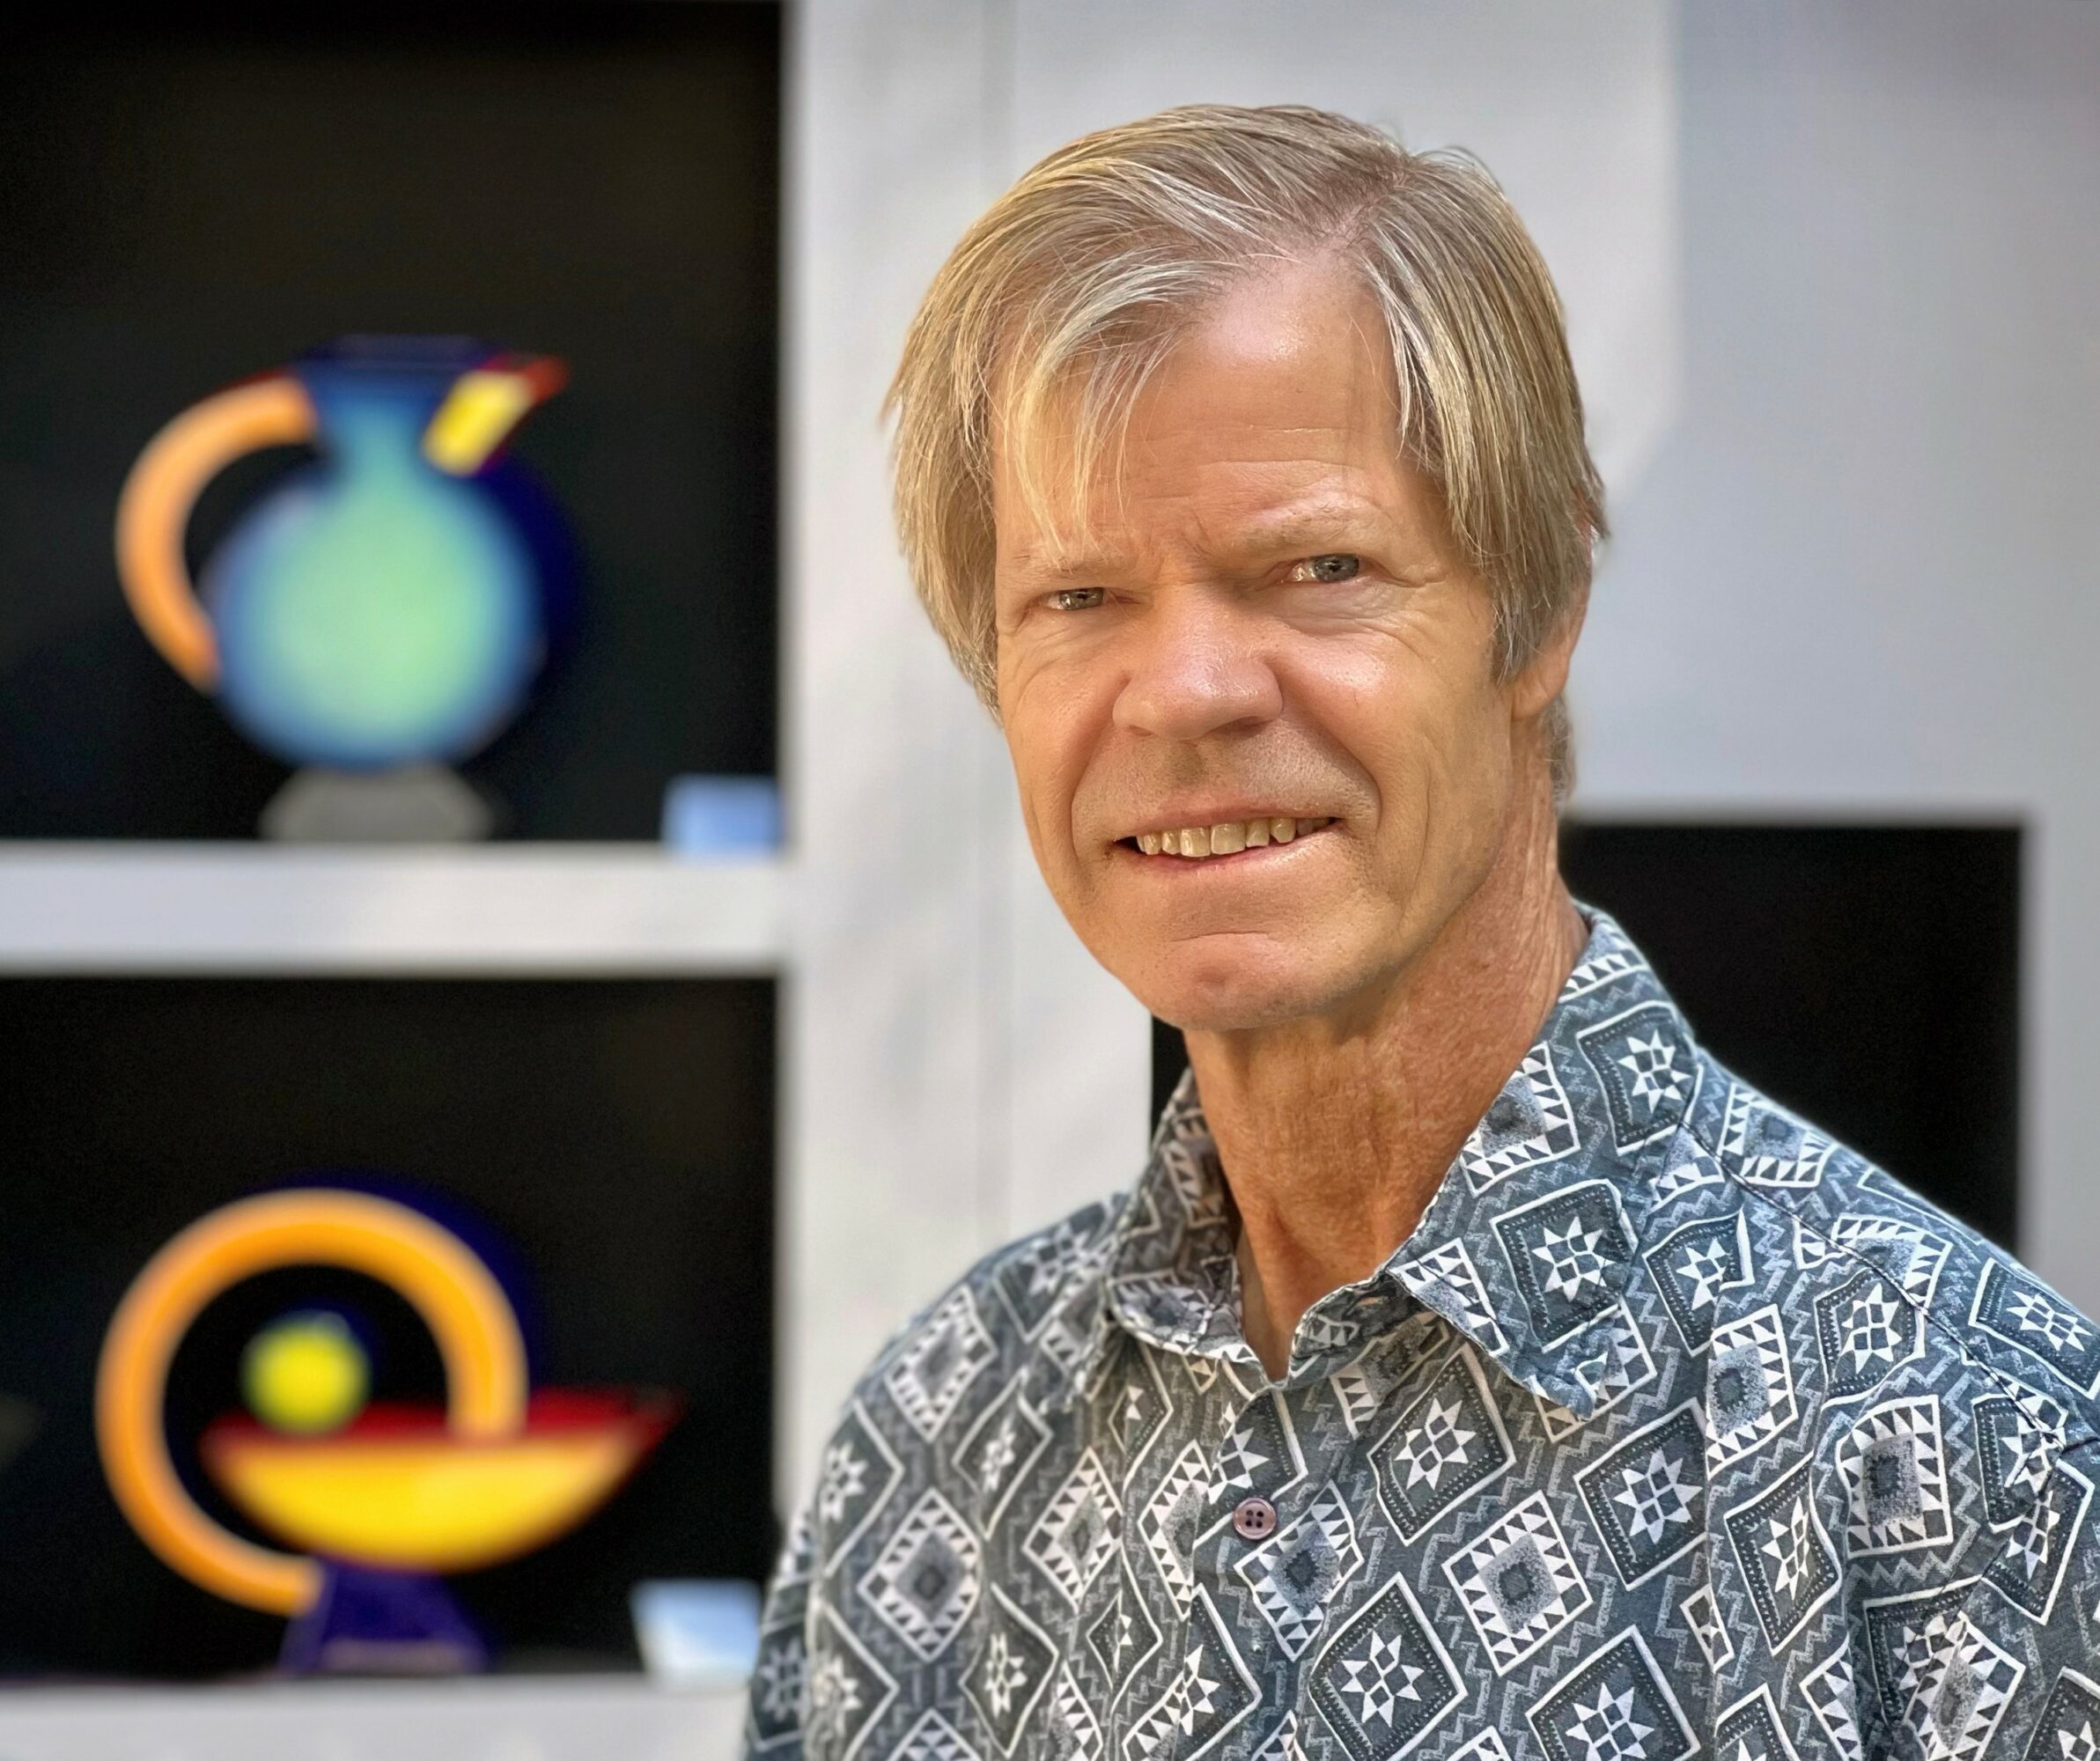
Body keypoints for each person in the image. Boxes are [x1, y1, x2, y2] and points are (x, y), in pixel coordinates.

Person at [742, 103, 2100, 1761]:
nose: (1183, 692)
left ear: (1540, 609)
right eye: (1077, 597)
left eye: (1317, 566)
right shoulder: (935, 1445)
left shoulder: (1966, 1449)